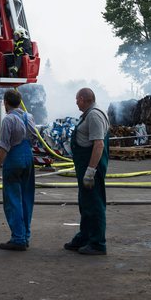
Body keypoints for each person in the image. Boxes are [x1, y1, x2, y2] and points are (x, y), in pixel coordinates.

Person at [64, 87, 109, 255]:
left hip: (91, 167)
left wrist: (91, 171)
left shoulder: (95, 115)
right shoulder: (89, 114)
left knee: (94, 204)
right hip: (84, 165)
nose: (76, 103)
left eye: (77, 100)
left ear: (83, 99)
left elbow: (99, 144)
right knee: (85, 203)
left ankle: (97, 243)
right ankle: (85, 236)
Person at [0, 88, 36, 251]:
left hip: (14, 158)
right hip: (28, 158)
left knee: (13, 199)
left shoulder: (8, 120)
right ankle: (25, 236)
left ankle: (17, 238)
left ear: (5, 103)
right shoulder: (28, 116)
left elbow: (4, 147)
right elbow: (34, 137)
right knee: (26, 198)